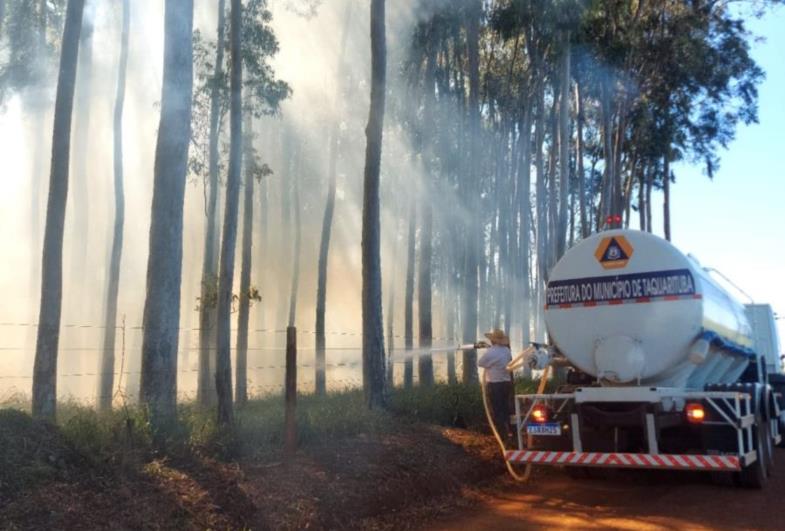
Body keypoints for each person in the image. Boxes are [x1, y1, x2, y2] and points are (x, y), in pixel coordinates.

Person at [477, 329, 514, 443]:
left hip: (494, 384)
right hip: (506, 383)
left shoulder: (491, 352)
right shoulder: (507, 351)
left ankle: (502, 435)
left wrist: (490, 363)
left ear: (493, 341)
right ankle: (511, 432)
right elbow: (507, 360)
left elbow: (480, 363)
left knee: (497, 409)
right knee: (506, 408)